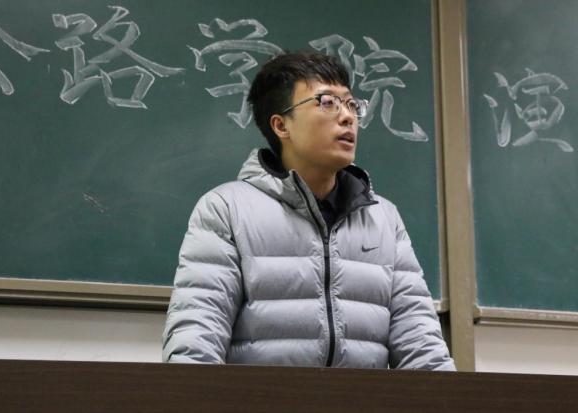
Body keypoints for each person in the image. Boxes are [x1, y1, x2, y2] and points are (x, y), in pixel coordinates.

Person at [162, 51, 455, 370]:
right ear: (281, 125)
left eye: (351, 104)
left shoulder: (382, 218)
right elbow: (196, 342)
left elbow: (422, 347)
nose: (347, 117)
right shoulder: (227, 209)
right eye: (328, 103)